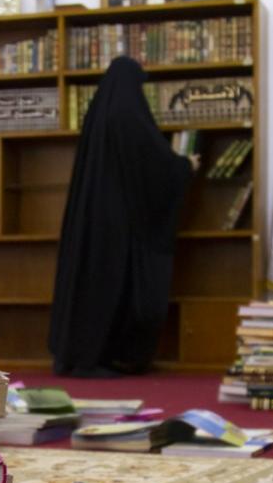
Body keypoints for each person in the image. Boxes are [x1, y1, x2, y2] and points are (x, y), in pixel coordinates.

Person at [49, 56, 193, 377]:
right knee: (109, 288)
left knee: (90, 287)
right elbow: (151, 160)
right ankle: (92, 360)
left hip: (92, 221)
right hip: (115, 223)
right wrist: (184, 166)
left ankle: (75, 356)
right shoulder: (127, 113)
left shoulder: (99, 113)